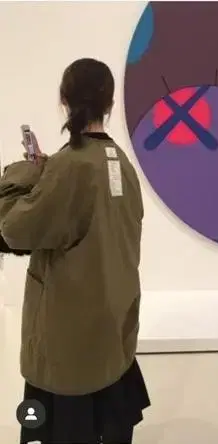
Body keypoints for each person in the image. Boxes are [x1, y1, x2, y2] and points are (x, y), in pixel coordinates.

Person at [0, 58, 150, 444]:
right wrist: (49, 170)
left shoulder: (68, 168)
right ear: (110, 103)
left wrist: (26, 173)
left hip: (69, 343)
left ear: (63, 101)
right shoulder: (121, 164)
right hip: (112, 333)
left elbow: (13, 230)